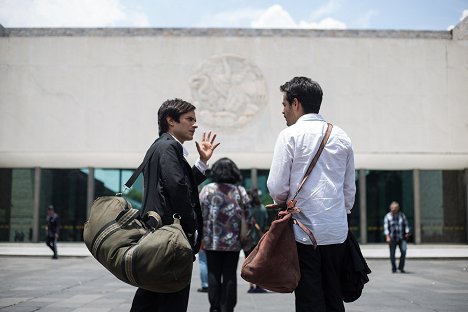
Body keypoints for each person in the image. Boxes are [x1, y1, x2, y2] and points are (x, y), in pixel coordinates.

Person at [267, 76, 356, 312]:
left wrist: (283, 202)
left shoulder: (290, 135)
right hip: (337, 231)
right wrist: (339, 213)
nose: (283, 111)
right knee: (334, 297)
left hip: (303, 231)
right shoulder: (341, 135)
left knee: (309, 298)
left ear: (296, 103)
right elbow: (349, 190)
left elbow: (276, 187)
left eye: (284, 105)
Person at [130, 98, 220, 312]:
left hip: (158, 237)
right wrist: (191, 228)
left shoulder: (159, 146)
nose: (195, 125)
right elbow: (178, 188)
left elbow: (180, 185)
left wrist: (202, 162)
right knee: (171, 300)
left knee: (150, 297)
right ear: (170, 120)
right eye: (189, 119)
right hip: (171, 240)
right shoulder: (170, 147)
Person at [200, 157, 250, 312]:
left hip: (211, 241)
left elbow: (199, 214)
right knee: (230, 274)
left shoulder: (207, 190)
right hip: (233, 243)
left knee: (213, 273)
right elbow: (247, 217)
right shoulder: (239, 192)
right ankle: (227, 307)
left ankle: (214, 307)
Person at [244, 188, 269, 293]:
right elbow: (266, 222)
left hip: (249, 239)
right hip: (260, 240)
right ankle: (259, 285)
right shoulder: (263, 209)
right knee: (259, 263)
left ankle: (251, 286)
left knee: (249, 263)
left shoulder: (249, 210)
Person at [383, 201, 410, 273]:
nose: (393, 210)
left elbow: (406, 225)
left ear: (398, 208)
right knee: (392, 254)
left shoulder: (402, 215)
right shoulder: (388, 216)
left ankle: (401, 268)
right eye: (392, 208)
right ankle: (394, 268)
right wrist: (387, 237)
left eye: (395, 208)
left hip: (401, 237)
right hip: (392, 238)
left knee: (404, 251)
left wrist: (407, 232)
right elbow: (386, 228)